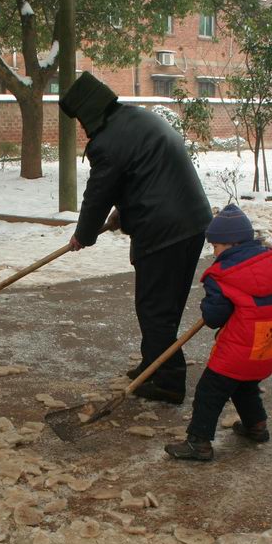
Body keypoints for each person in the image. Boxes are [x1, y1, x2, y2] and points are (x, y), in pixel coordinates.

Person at [60, 72, 212, 404]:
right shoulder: (135, 118)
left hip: (165, 230)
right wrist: (123, 215)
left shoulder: (107, 141)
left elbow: (98, 192)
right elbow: (145, 177)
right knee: (164, 305)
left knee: (154, 307)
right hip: (192, 222)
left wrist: (84, 235)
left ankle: (169, 381)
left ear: (87, 114)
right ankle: (153, 364)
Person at [165, 204, 272, 461]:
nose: (214, 252)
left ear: (231, 245)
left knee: (209, 392)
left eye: (216, 246)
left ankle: (198, 443)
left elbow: (213, 317)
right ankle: (256, 426)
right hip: (266, 346)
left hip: (236, 349)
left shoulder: (223, 275)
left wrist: (207, 303)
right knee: (244, 385)